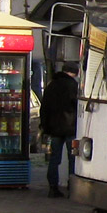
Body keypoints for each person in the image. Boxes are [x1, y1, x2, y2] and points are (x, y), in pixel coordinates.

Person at [40, 61, 78, 198]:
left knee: (54, 159)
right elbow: (76, 106)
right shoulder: (73, 85)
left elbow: (44, 108)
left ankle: (53, 187)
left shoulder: (51, 86)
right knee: (72, 159)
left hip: (54, 129)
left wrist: (45, 127)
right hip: (70, 128)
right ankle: (72, 187)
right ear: (75, 73)